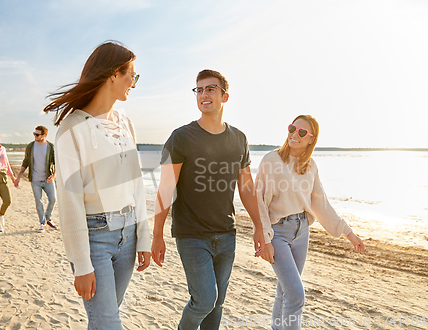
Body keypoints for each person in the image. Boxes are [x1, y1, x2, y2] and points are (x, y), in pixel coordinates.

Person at [43, 41, 151, 329]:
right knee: (107, 322)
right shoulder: (71, 127)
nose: (134, 83)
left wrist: (143, 236)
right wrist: (81, 264)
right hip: (95, 239)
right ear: (113, 74)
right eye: (133, 75)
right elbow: (69, 200)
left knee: (104, 319)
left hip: (128, 236)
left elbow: (136, 183)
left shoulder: (125, 123)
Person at [152, 69, 265, 330]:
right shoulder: (181, 137)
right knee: (204, 300)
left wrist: (259, 227)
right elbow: (166, 187)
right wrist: (157, 234)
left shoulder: (239, 138)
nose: (203, 94)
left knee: (218, 304)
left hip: (227, 234)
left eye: (210, 89)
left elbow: (246, 187)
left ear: (225, 96)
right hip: (191, 234)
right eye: (199, 90)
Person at [255, 115, 365, 330]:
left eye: (302, 132)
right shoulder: (271, 160)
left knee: (284, 291)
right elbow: (259, 201)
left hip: (302, 232)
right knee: (296, 295)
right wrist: (265, 238)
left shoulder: (310, 166)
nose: (295, 134)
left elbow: (320, 204)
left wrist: (348, 233)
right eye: (292, 128)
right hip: (277, 232)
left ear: (311, 139)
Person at [14, 125, 57, 233]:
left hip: (48, 179)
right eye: (34, 134)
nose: (35, 136)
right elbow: (25, 162)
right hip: (35, 180)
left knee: (53, 199)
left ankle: (48, 217)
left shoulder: (51, 147)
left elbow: (57, 162)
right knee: (39, 202)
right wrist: (18, 177)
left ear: (44, 136)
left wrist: (54, 175)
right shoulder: (30, 146)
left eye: (37, 134)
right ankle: (42, 223)